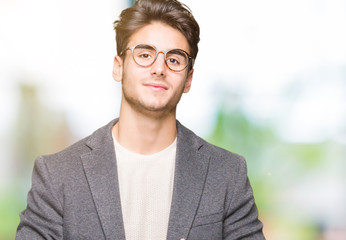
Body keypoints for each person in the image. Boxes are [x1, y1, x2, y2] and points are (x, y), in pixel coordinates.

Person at [16, 0, 265, 239]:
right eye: (145, 55)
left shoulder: (226, 174)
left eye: (174, 59)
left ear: (188, 79)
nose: (159, 68)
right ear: (118, 67)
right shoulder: (58, 175)